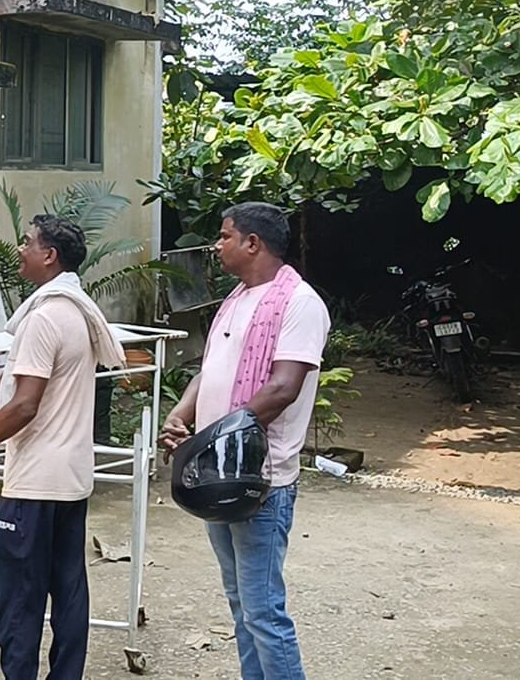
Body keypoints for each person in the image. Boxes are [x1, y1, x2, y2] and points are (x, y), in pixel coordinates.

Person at [0, 215, 125, 680]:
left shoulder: (44, 317)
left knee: (19, 597)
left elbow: (24, 406)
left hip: (36, 483)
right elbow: (30, 386)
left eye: (27, 242)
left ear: (50, 256)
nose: (20, 249)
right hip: (70, 480)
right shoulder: (76, 311)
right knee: (68, 591)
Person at [157, 202, 329, 680]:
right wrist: (181, 413)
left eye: (225, 236)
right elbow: (210, 371)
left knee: (263, 611)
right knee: (241, 605)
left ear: (253, 243)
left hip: (260, 480)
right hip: (219, 473)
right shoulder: (236, 299)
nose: (217, 245)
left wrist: (213, 440)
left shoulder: (299, 304)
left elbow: (283, 387)